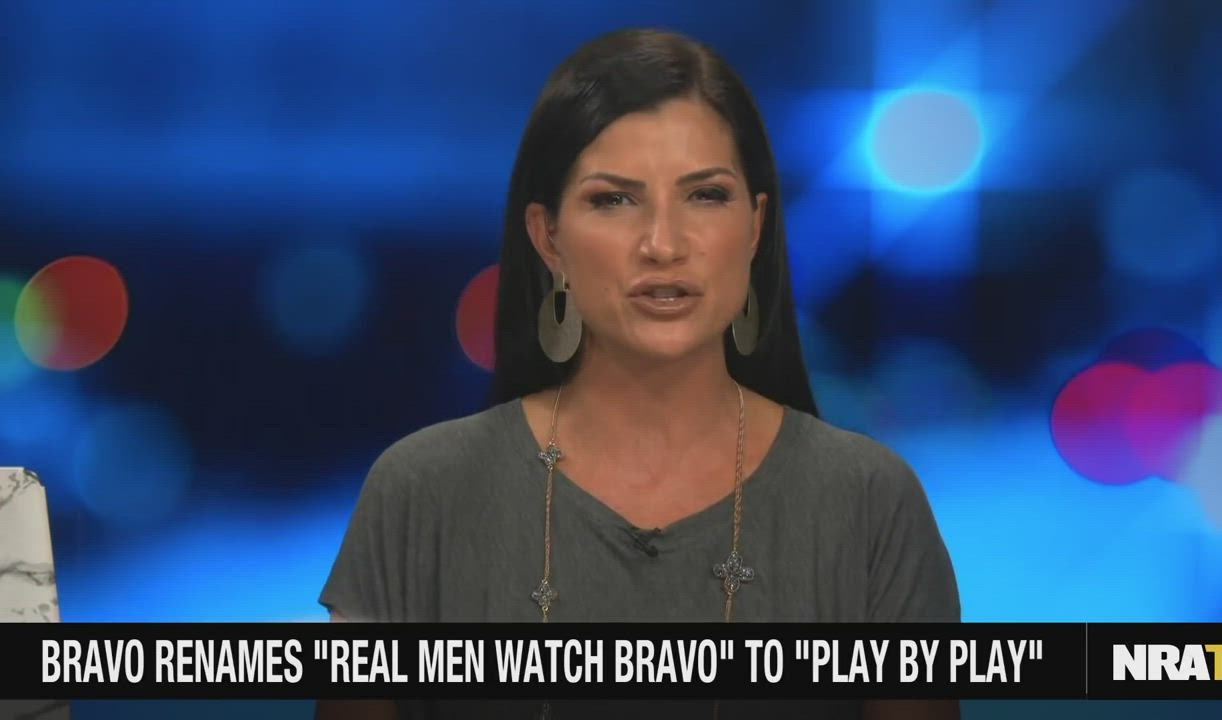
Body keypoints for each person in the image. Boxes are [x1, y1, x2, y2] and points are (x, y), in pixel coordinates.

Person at [317, 28, 960, 720]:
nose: (663, 244)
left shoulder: (869, 504)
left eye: (705, 195)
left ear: (754, 227)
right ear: (548, 237)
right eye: (614, 200)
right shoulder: (421, 494)